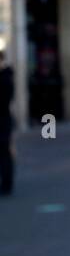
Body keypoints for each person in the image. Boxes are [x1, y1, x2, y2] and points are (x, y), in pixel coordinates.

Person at [0, 49, 14, 196]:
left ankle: (7, 183)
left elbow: (5, 100)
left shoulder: (5, 78)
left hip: (3, 120)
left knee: (4, 151)